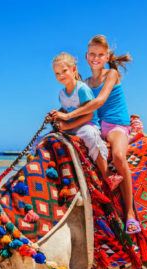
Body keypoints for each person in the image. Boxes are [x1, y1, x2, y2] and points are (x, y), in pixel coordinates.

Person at [51, 35, 140, 234]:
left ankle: (130, 213)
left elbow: (98, 102)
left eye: (100, 54)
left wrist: (71, 115)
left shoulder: (112, 75)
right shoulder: (86, 82)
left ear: (107, 56)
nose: (96, 58)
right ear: (86, 56)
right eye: (92, 54)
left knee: (117, 156)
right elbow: (76, 102)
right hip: (97, 126)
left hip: (116, 126)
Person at [51, 52, 109, 180]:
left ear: (73, 69)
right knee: (46, 139)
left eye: (64, 71)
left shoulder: (82, 89)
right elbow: (66, 112)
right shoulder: (61, 94)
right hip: (72, 126)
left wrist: (68, 125)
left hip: (87, 124)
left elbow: (89, 115)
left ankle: (106, 175)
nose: (61, 75)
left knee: (89, 135)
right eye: (57, 73)